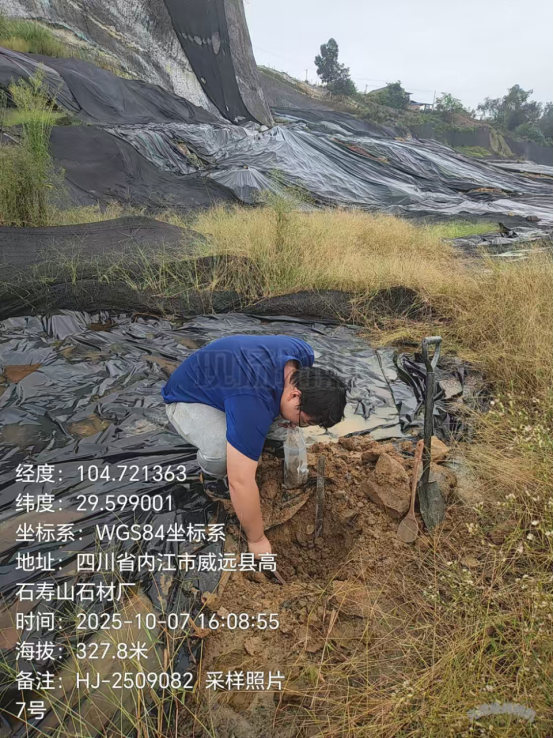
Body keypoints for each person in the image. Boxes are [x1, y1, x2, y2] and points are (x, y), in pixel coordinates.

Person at [162, 335, 348, 557]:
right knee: (223, 453)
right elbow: (240, 481)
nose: (305, 426)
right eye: (307, 421)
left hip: (231, 387)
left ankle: (253, 434)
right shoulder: (252, 402)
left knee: (284, 430)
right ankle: (212, 476)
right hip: (190, 396)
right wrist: (257, 539)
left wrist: (294, 418)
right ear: (295, 395)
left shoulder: (301, 353)